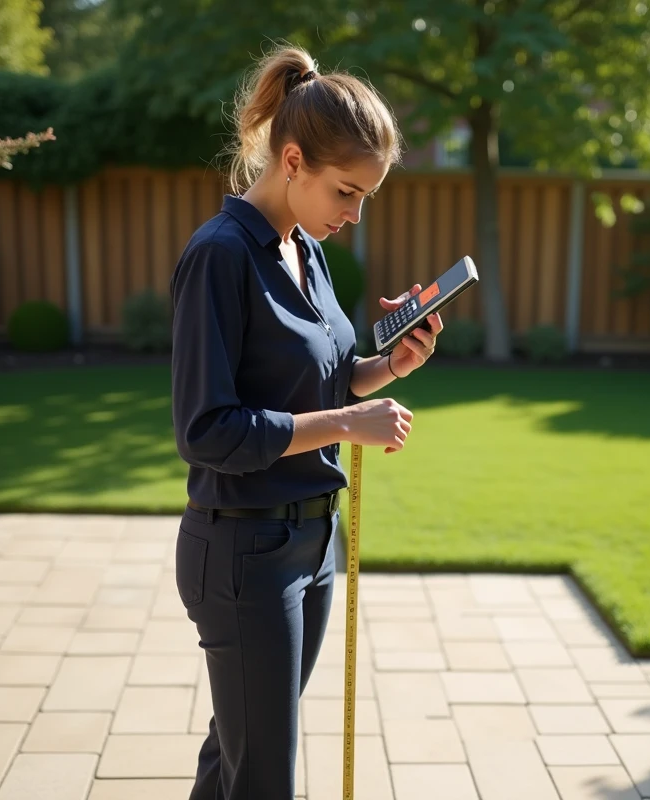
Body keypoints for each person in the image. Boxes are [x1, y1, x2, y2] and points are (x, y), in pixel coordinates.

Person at [168, 44, 444, 800]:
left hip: (316, 543)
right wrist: (349, 424)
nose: (354, 214)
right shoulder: (219, 257)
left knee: (239, 754)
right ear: (292, 161)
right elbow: (207, 429)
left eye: (366, 198)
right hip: (244, 552)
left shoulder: (307, 251)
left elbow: (322, 381)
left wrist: (389, 368)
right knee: (265, 779)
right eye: (346, 192)